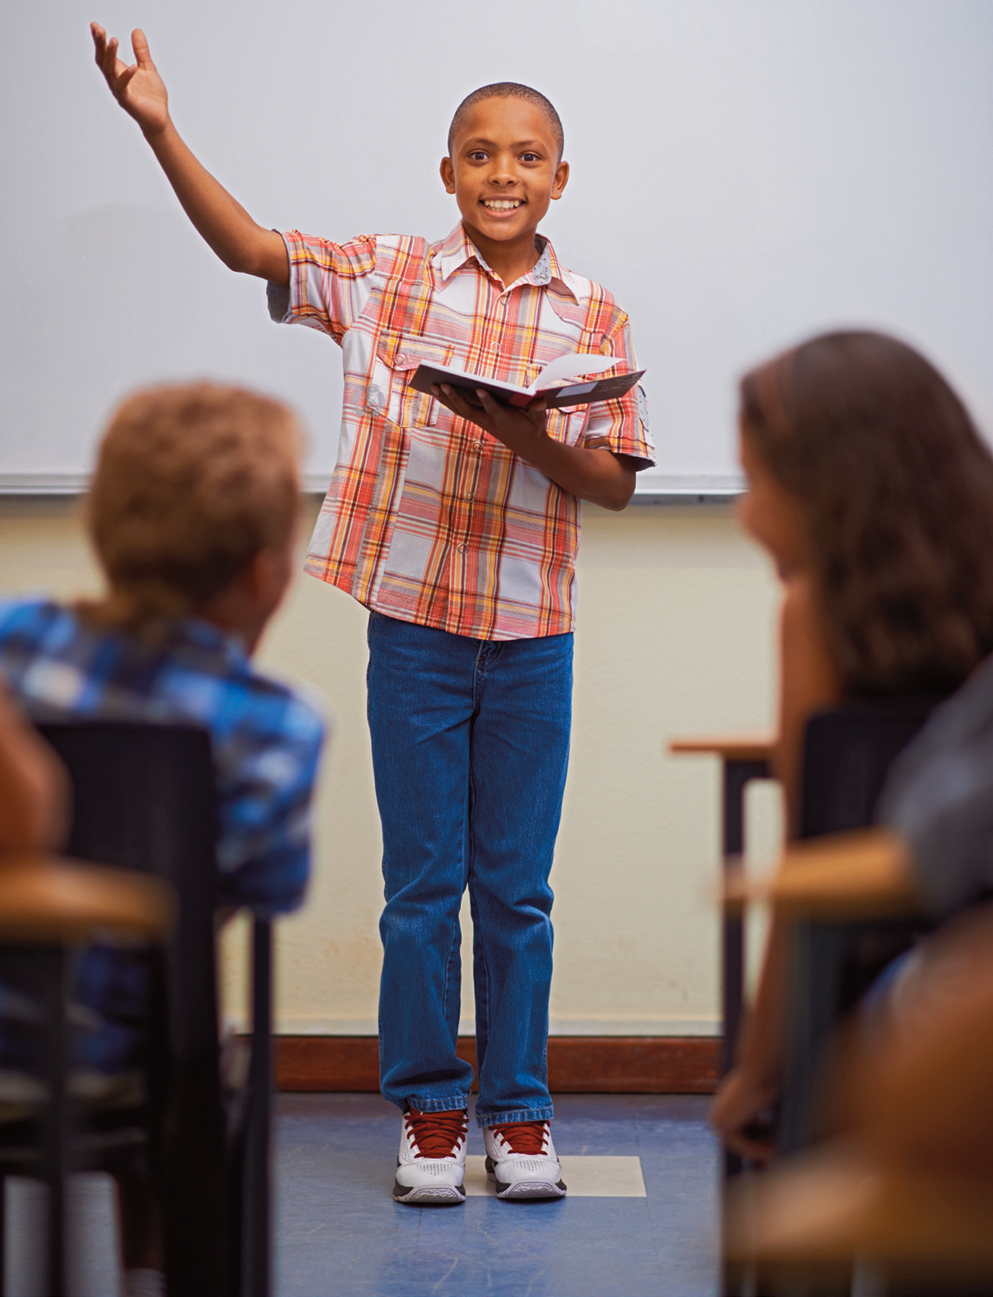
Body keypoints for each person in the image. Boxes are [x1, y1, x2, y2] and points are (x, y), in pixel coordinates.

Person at [88, 25, 655, 1204]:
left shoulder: (596, 314)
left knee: (518, 889)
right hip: (413, 626)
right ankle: (431, 1112)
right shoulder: (390, 273)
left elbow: (611, 480)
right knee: (420, 885)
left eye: (529, 156)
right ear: (446, 172)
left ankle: (521, 1114)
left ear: (563, 177)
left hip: (533, 632)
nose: (505, 173)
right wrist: (156, 124)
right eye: (480, 154)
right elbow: (251, 249)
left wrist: (509, 423)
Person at [0, 382, 326, 1297]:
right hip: (120, 1062)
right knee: (184, 1029)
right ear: (269, 574)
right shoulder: (277, 727)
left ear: (101, 527)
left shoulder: (13, 639)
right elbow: (258, 893)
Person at [709, 329, 993, 1163]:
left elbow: (810, 876)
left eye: (755, 483)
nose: (742, 512)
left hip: (904, 1015)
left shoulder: (819, 614)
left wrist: (760, 1071)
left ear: (830, 490)